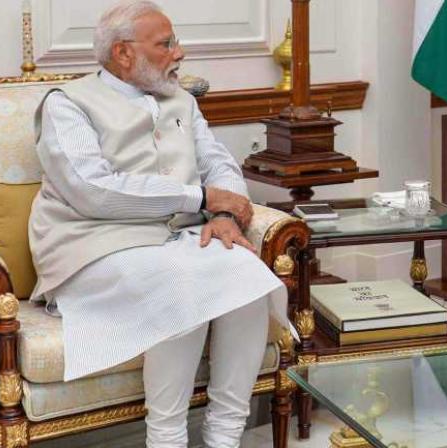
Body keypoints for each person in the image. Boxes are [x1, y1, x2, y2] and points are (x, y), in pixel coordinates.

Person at [27, 1, 292, 447]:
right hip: (90, 246)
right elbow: (93, 190)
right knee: (183, 283)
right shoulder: (67, 104)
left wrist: (226, 213)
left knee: (247, 273)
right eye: (166, 44)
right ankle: (166, 438)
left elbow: (219, 165)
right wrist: (201, 198)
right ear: (123, 53)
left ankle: (224, 435)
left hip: (175, 242)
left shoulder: (181, 101)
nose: (179, 52)